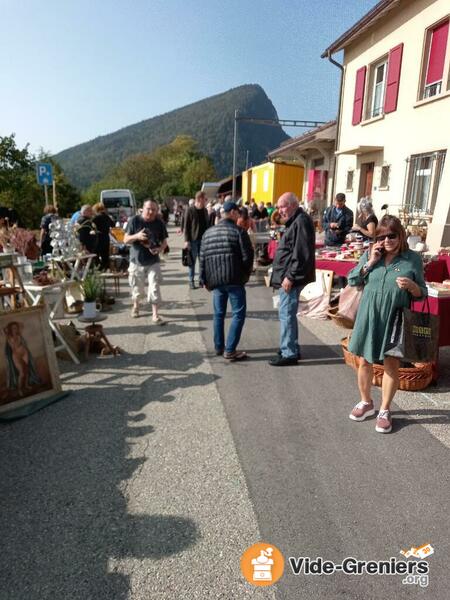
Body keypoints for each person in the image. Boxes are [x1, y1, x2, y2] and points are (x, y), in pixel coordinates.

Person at [347, 215, 427, 433]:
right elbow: (353, 280)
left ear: (400, 235)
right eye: (382, 236)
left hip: (395, 318)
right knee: (364, 361)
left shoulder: (412, 259)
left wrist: (412, 286)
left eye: (392, 235)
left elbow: (422, 293)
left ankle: (384, 409)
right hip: (369, 315)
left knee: (391, 363)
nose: (387, 240)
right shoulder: (371, 254)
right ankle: (366, 402)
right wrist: (371, 261)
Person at [200, 200, 254, 361]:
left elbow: (202, 258)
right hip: (235, 279)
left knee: (218, 314)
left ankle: (219, 347)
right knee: (238, 314)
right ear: (232, 213)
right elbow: (248, 256)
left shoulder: (207, 233)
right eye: (237, 213)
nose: (239, 216)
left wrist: (204, 279)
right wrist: (245, 275)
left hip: (216, 281)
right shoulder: (239, 232)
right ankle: (230, 350)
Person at [269, 192, 315, 366]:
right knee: (286, 314)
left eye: (282, 206)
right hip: (289, 276)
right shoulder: (296, 220)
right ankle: (290, 347)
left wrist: (290, 277)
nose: (279, 210)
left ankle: (289, 353)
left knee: (286, 314)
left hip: (291, 278)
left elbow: (302, 254)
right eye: (278, 206)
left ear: (293, 204)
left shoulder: (301, 221)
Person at [124, 199, 168, 321]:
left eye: (154, 209)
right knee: (137, 288)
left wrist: (159, 249)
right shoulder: (134, 220)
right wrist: (137, 236)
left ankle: (155, 314)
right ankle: (136, 306)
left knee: (154, 287)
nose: (151, 212)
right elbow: (125, 239)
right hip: (136, 260)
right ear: (143, 208)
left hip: (153, 261)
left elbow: (164, 242)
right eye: (149, 209)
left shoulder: (159, 223)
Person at [4, 321, 41, 397]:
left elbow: (22, 325)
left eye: (16, 327)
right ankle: (19, 389)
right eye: (13, 328)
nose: (15, 329)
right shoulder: (8, 337)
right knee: (22, 373)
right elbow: (4, 330)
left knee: (26, 371)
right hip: (16, 356)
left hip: (24, 353)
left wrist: (17, 327)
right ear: (10, 329)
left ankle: (26, 385)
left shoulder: (19, 335)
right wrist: (7, 330)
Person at [183, 191, 209, 289]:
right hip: (193, 240)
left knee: (202, 261)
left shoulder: (205, 211)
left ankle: (201, 280)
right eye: (205, 199)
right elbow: (186, 226)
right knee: (192, 261)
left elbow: (207, 225)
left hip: (203, 240)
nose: (206, 201)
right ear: (199, 199)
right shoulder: (190, 210)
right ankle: (191, 281)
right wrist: (186, 241)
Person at [93, 202, 115, 271]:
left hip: (98, 237)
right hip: (106, 237)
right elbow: (113, 225)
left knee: (96, 253)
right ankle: (106, 268)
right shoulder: (107, 216)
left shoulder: (96, 217)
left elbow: (91, 225)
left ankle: (99, 268)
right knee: (105, 254)